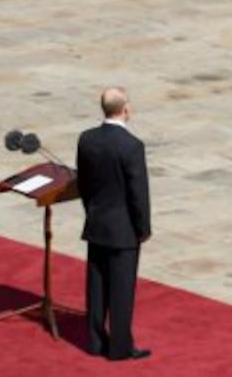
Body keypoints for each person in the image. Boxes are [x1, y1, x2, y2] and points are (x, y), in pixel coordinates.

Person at [75, 86, 151, 362]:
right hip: (123, 230)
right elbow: (138, 193)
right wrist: (143, 229)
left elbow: (83, 183)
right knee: (121, 290)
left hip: (96, 223)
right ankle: (120, 347)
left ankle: (95, 341)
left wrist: (91, 211)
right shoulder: (132, 146)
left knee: (96, 287)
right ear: (125, 109)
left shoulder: (86, 139)